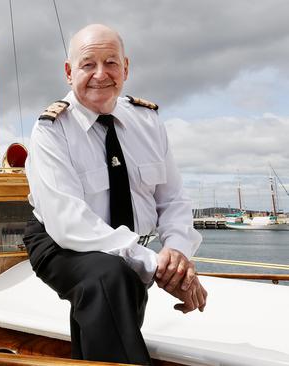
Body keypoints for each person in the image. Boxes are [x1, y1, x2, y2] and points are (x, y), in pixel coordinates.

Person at [24, 24, 207, 365]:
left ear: (126, 68)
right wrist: (153, 264)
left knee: (116, 280)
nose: (100, 74)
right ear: (68, 72)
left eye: (110, 62)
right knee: (110, 277)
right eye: (88, 64)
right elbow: (68, 223)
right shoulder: (50, 131)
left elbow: (174, 201)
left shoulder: (148, 122)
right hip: (56, 240)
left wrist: (177, 256)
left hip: (125, 242)